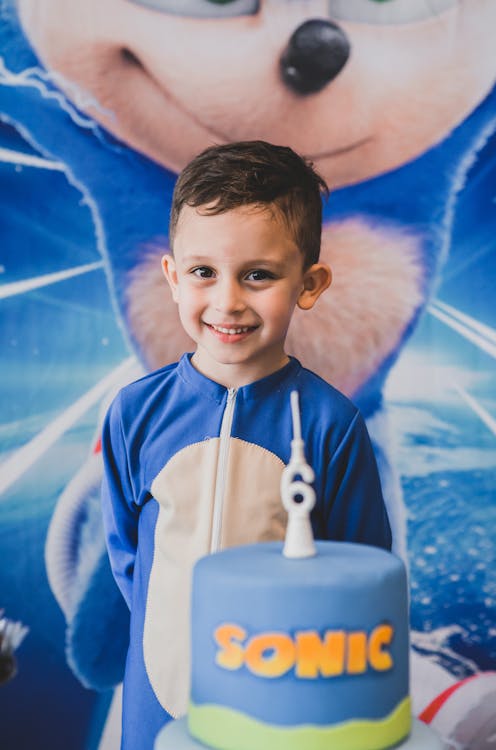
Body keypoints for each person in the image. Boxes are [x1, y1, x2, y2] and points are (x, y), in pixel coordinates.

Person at [101, 140, 392, 750]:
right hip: (158, 691)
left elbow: (359, 574)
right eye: (204, 272)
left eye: (258, 275)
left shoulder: (330, 425)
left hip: (280, 706)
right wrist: (170, 628)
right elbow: (130, 553)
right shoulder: (136, 412)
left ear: (308, 284)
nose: (228, 300)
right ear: (174, 279)